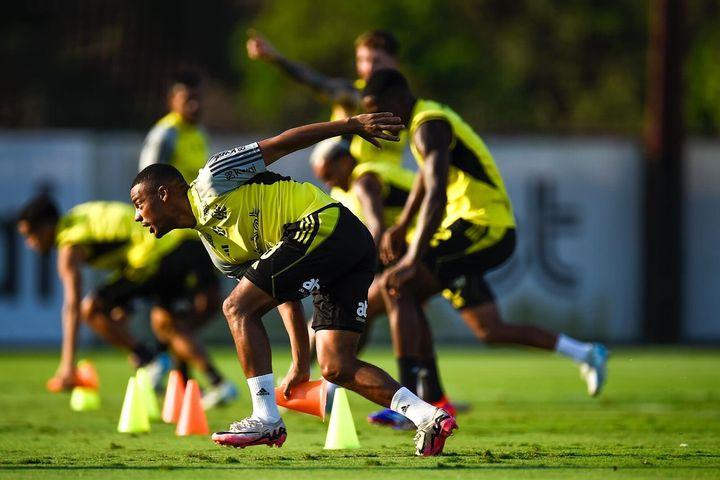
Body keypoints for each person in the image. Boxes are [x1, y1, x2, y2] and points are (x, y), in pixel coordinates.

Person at [130, 112, 457, 456]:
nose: (138, 216)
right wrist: (302, 362)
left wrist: (350, 126)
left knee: (234, 307)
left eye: (139, 204)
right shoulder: (220, 253)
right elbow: (280, 293)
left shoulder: (214, 178)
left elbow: (283, 143)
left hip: (323, 224)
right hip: (350, 248)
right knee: (335, 366)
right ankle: (429, 416)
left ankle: (265, 417)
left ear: (164, 194)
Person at [361, 69, 608, 398]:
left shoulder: (428, 126)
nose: (375, 119)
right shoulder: (425, 123)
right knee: (489, 329)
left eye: (377, 109)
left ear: (395, 100)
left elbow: (437, 196)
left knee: (398, 285)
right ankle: (586, 353)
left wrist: (412, 257)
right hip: (467, 226)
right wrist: (404, 225)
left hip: (483, 224)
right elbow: (426, 178)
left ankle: (412, 401)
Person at [17, 198, 235, 406]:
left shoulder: (69, 241)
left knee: (91, 310)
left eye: (30, 235)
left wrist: (67, 367)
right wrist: (125, 306)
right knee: (167, 324)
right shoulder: (79, 218)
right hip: (177, 245)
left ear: (46, 227)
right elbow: (125, 245)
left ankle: (150, 359)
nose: (30, 244)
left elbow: (73, 307)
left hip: (154, 253)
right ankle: (212, 384)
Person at [137, 70, 238, 406]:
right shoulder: (165, 134)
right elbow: (146, 183)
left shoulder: (198, 134)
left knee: (207, 304)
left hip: (197, 236)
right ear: (172, 101)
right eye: (187, 99)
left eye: (198, 98)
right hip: (173, 241)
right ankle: (198, 376)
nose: (195, 104)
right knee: (176, 312)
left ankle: (164, 352)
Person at [246, 29, 406, 166]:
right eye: (362, 60)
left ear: (394, 61)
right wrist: (277, 58)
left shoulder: (406, 102)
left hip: (392, 191)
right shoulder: (352, 94)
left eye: (376, 61)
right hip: (352, 194)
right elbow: (315, 81)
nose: (368, 67)